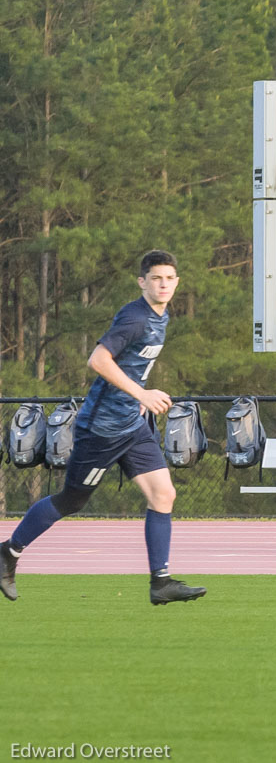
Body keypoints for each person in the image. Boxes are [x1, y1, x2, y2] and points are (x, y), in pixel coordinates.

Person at [0, 251, 206, 605]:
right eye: (156, 278)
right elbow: (98, 359)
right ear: (142, 282)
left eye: (170, 278)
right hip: (103, 429)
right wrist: (141, 391)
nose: (163, 285)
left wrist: (137, 397)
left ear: (177, 282)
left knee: (163, 494)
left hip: (132, 424)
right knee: (72, 500)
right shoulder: (136, 317)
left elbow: (131, 363)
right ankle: (9, 552)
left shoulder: (162, 315)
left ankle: (161, 582)